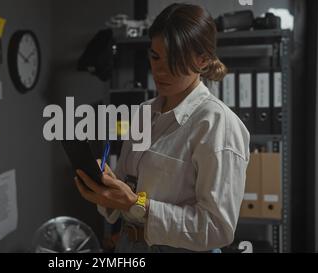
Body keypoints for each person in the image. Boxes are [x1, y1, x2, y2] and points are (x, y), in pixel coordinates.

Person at [74, 3, 250, 253]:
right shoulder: (145, 113)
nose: (159, 70)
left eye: (174, 61)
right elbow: (131, 189)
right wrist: (110, 190)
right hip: (128, 246)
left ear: (202, 60)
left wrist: (138, 205)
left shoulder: (217, 125)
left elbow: (217, 228)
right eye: (155, 56)